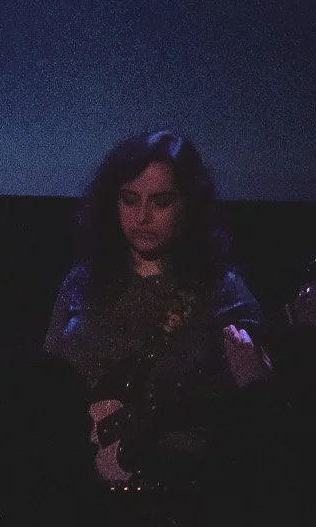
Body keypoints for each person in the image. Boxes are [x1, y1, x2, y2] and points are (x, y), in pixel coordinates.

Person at [43, 130, 269, 514]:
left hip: (176, 495)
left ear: (188, 205)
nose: (142, 217)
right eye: (129, 200)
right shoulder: (83, 281)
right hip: (75, 490)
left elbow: (260, 410)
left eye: (161, 202)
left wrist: (255, 380)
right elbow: (47, 380)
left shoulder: (221, 290)